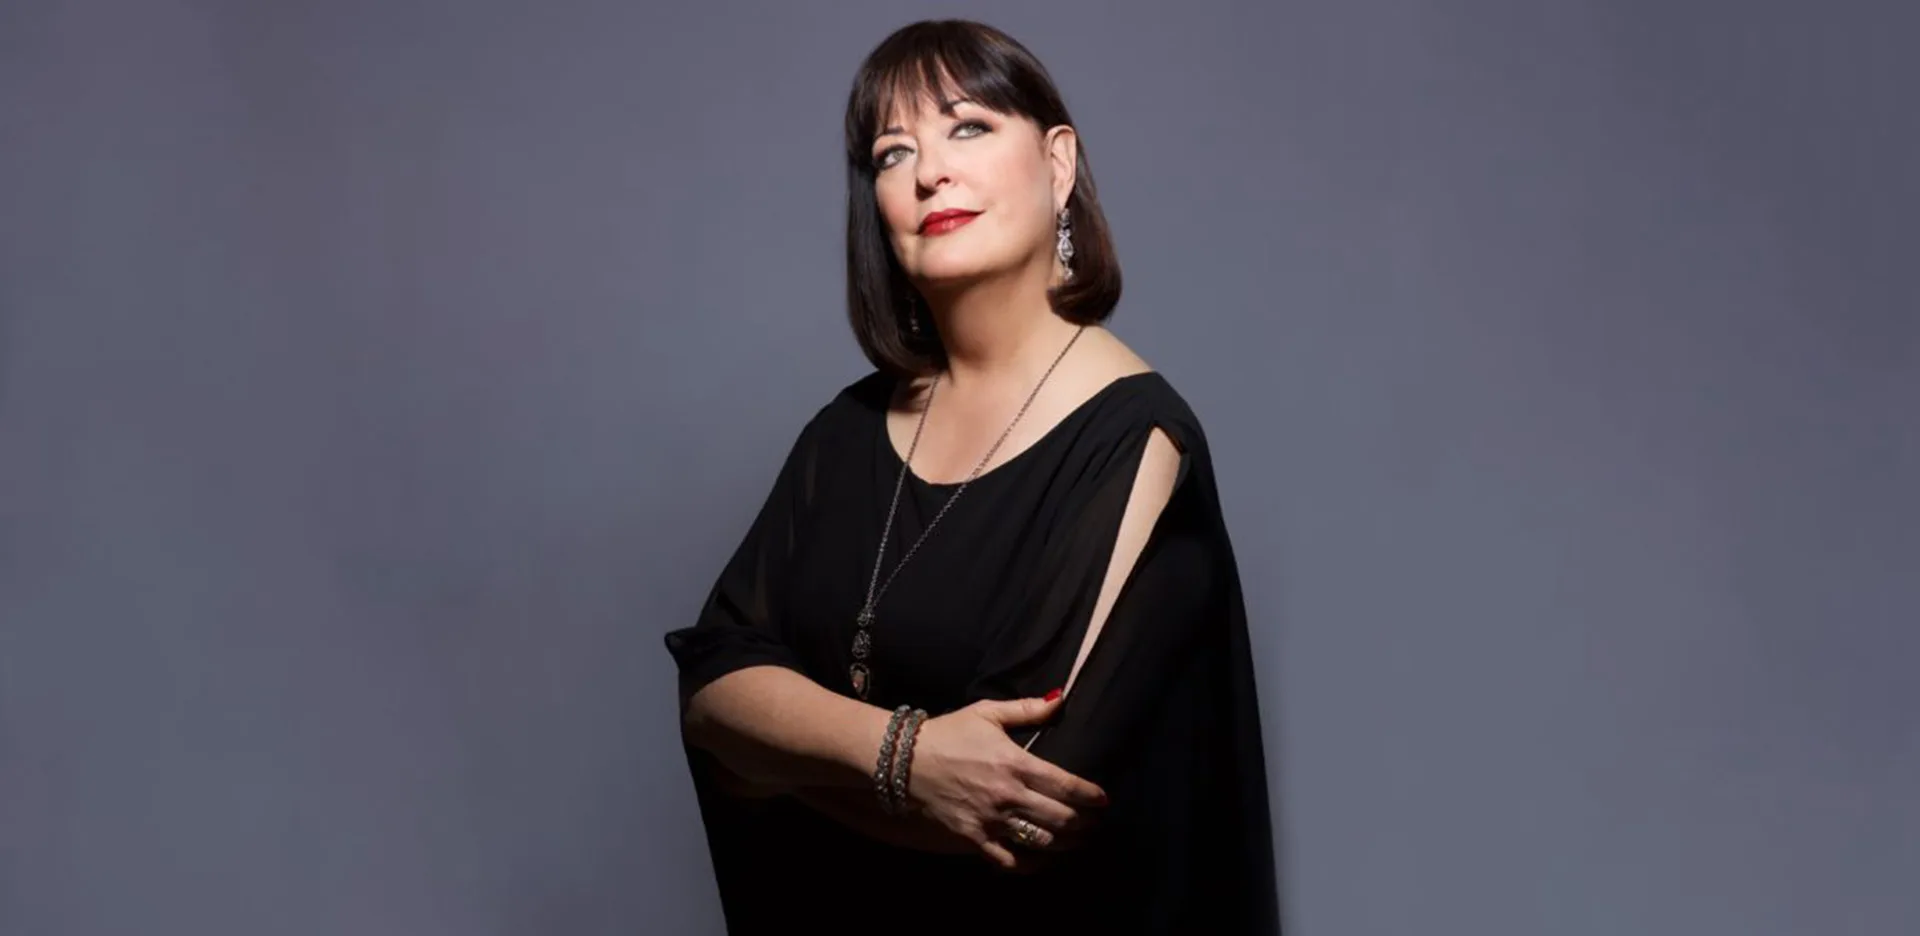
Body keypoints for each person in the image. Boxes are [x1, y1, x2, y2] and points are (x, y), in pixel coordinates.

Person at [663, 19, 1281, 935]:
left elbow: (1018, 803)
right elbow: (712, 688)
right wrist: (904, 757)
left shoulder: (1138, 438)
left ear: (1058, 162)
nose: (928, 173)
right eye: (892, 151)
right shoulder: (844, 434)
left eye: (968, 127)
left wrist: (784, 756)